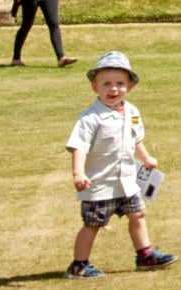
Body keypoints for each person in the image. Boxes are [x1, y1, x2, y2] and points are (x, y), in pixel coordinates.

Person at [64, 52, 173, 278]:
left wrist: (146, 158)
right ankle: (79, 265)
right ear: (95, 87)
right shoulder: (90, 118)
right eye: (106, 84)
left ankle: (145, 255)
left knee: (138, 214)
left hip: (127, 180)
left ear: (130, 87)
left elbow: (135, 139)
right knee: (94, 223)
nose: (113, 89)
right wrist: (78, 173)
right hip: (100, 183)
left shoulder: (132, 112)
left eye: (120, 84)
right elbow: (78, 146)